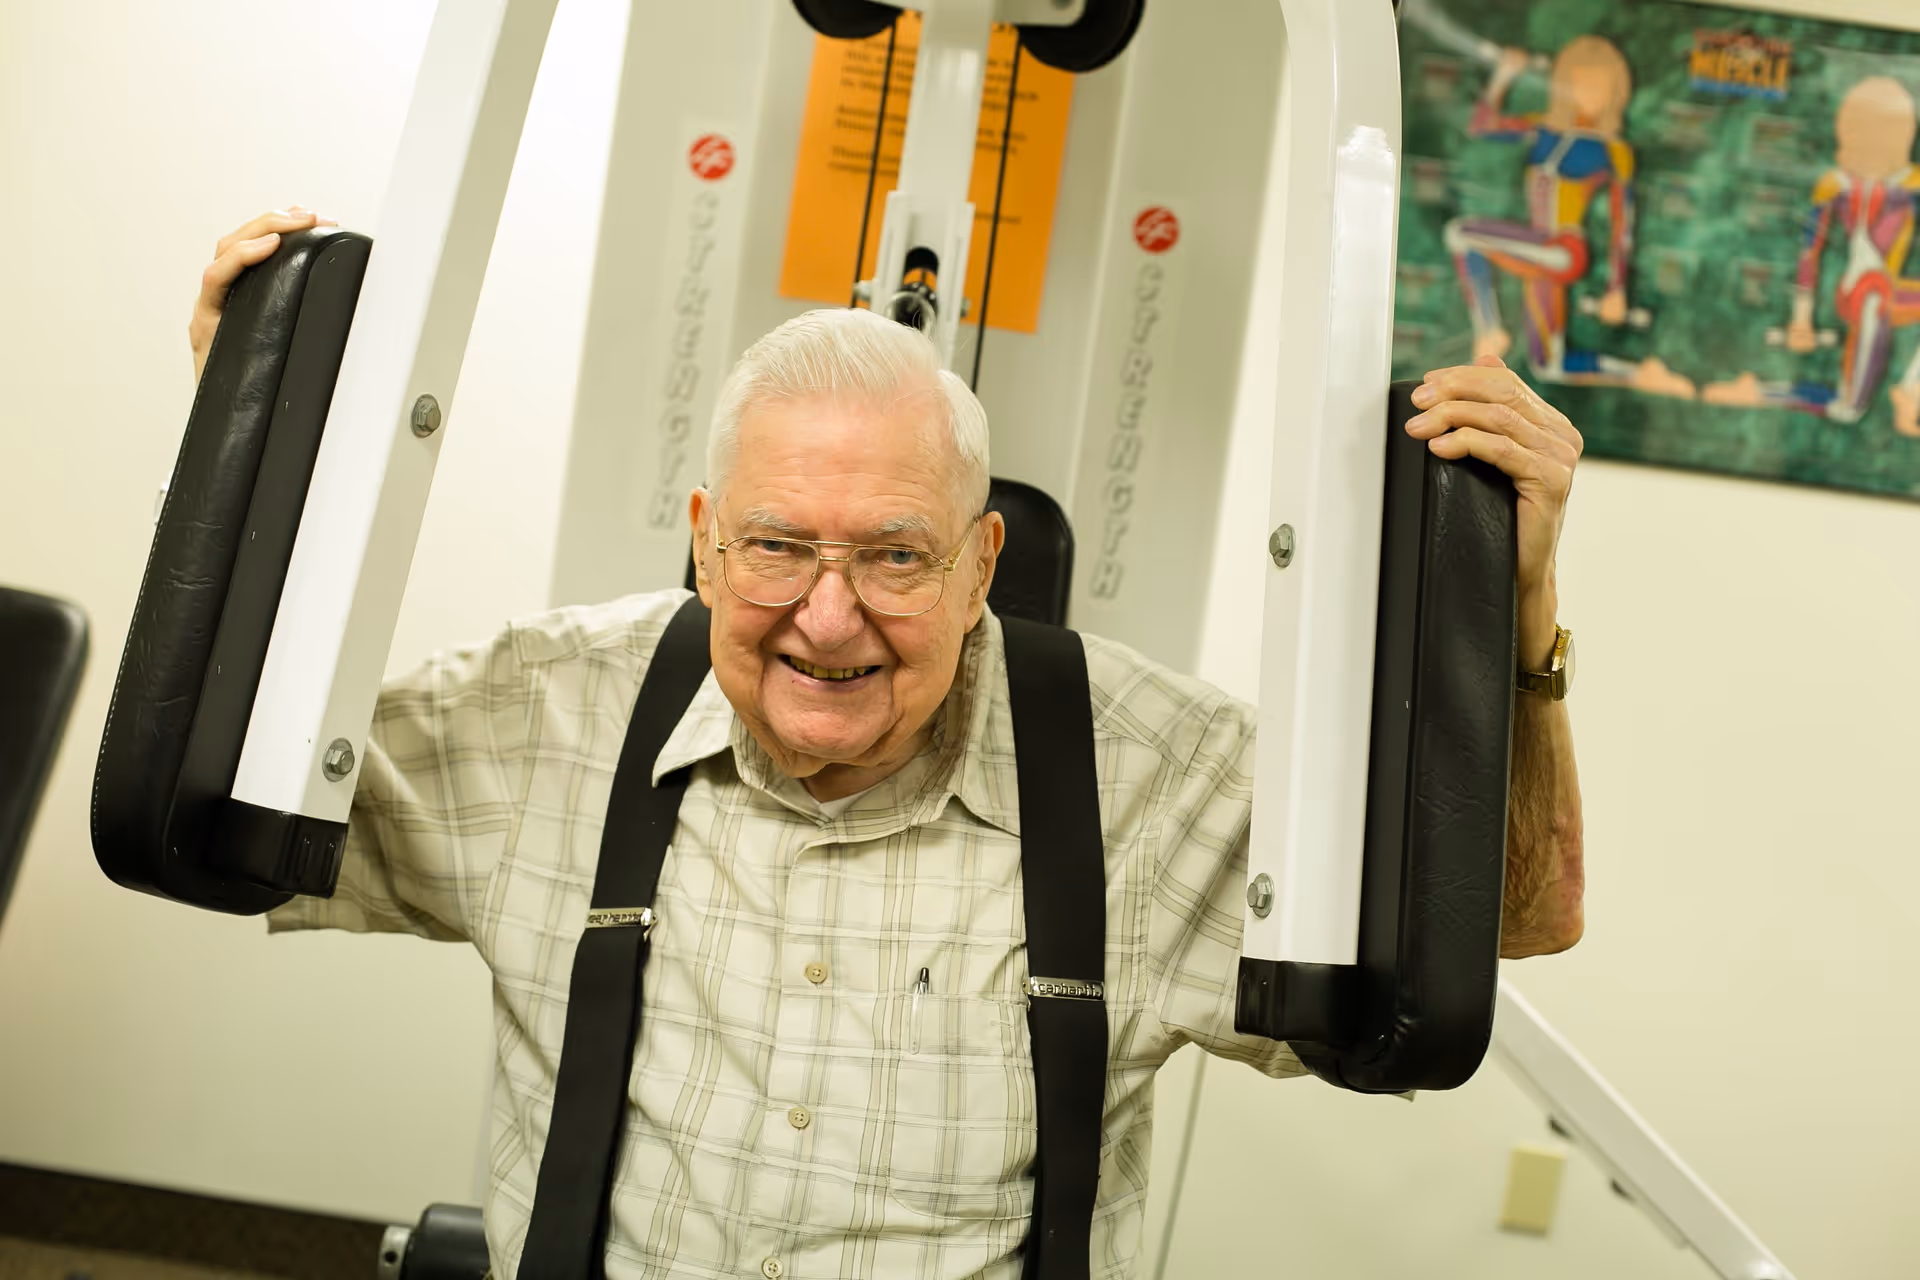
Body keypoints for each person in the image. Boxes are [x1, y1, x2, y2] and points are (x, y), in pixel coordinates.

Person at [193, 209, 1587, 1279]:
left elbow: (1513, 916)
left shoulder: (1148, 777)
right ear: (703, 539)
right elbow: (216, 807)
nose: (828, 614)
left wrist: (1515, 611)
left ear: (984, 564)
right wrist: (229, 453)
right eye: (778, 546)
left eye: (896, 555)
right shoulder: (544, 710)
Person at [1445, 35, 1696, 399]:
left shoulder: (1614, 150)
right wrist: (1505, 76)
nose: (1585, 92)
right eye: (1577, 82)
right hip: (1537, 251)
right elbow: (1482, 126)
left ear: (1615, 92)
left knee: (1462, 234)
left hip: (1563, 250)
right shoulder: (1545, 129)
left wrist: (1616, 289)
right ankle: (1639, 373)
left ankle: (1489, 330)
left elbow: (1622, 225)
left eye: (1597, 85)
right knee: (1549, 363)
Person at [1703, 75, 1920, 437]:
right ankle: (1761, 391)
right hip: (1857, 293)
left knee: (1879, 295)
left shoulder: (1910, 183)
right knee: (1847, 408)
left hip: (1887, 290)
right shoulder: (1836, 184)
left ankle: (1910, 391)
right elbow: (1810, 251)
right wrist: (1801, 320)